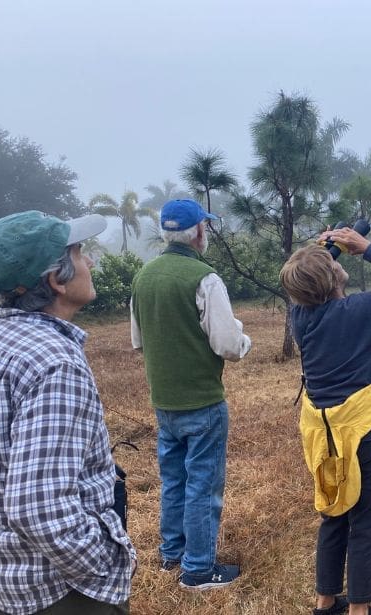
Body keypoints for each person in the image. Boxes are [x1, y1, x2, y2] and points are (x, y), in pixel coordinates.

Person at [0, 210, 135, 614]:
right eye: (79, 252)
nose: (89, 261)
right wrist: (102, 565)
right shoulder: (54, 364)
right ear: (57, 280)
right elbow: (38, 508)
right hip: (58, 589)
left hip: (2, 576)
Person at [279, 227, 371, 615]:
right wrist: (367, 248)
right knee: (365, 518)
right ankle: (359, 609)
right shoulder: (358, 312)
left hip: (321, 430)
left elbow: (312, 280)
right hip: (365, 425)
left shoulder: (301, 315)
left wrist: (331, 247)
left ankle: (325, 601)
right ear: (332, 278)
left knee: (334, 512)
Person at [130, 199, 251, 592]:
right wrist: (243, 336)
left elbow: (138, 341)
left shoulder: (143, 277)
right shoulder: (205, 278)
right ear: (199, 231)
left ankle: (172, 555)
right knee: (203, 484)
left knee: (174, 480)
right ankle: (198, 571)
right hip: (202, 401)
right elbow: (228, 345)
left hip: (164, 402)